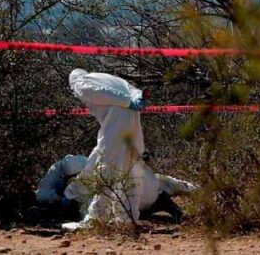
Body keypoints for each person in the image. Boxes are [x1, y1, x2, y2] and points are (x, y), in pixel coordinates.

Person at [61, 69, 150, 231]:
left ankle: (96, 219)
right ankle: (127, 219)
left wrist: (126, 101)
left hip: (115, 125)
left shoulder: (80, 82)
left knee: (106, 170)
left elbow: (92, 92)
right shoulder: (110, 78)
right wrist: (136, 98)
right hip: (133, 123)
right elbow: (133, 89)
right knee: (131, 170)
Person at [36, 154, 198, 222]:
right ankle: (160, 202)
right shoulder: (66, 169)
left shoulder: (76, 167)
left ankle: (194, 191)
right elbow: (42, 195)